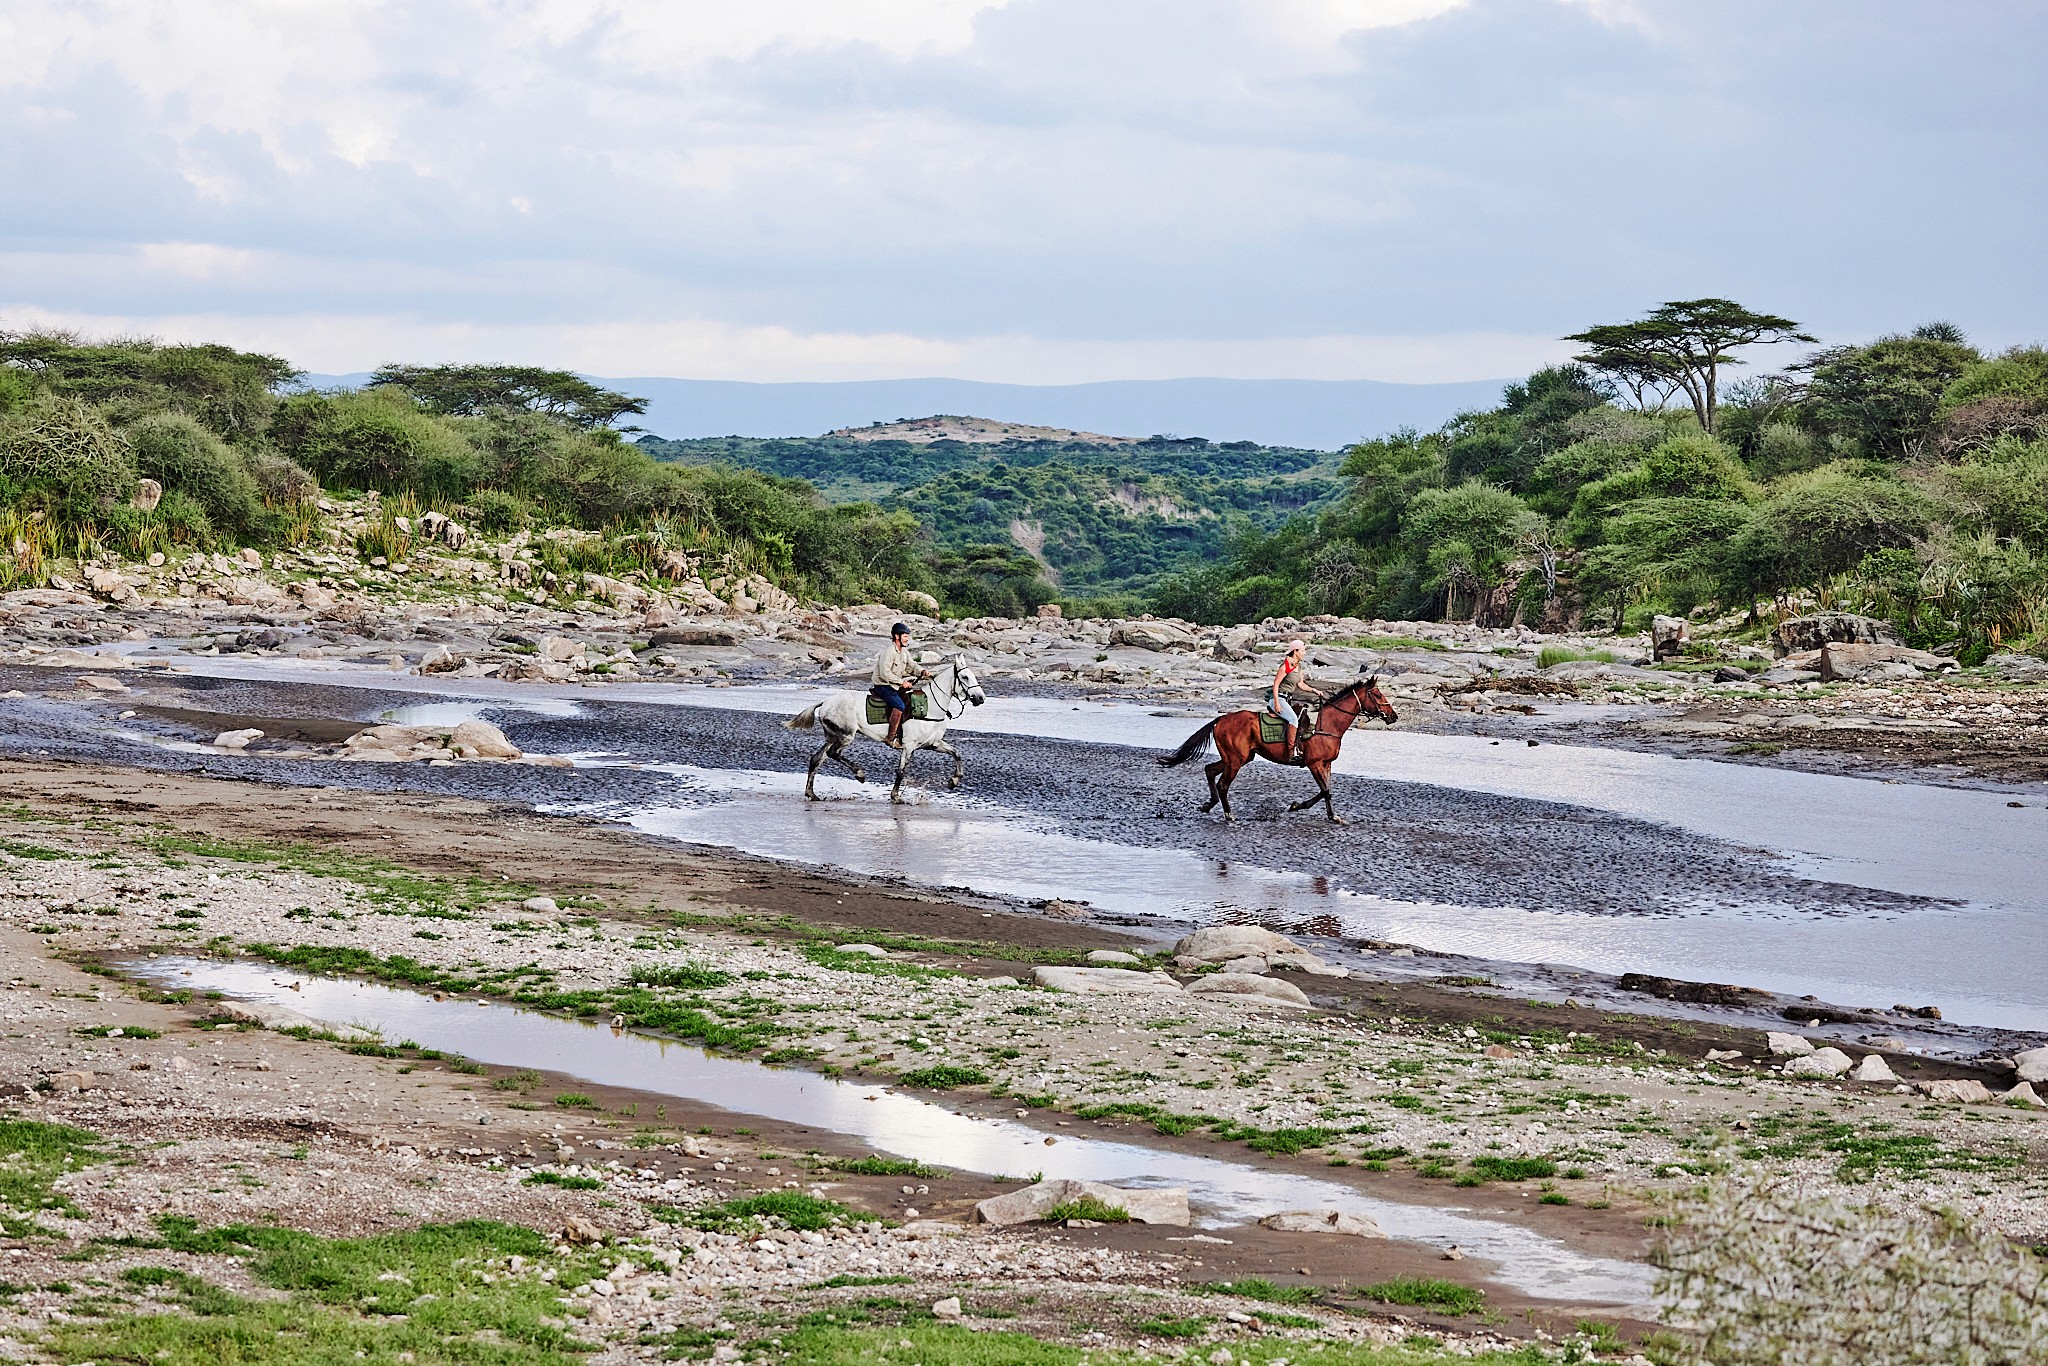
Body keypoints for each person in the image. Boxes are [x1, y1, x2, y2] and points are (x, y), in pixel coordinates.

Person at [871, 622, 928, 748]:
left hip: (894, 685)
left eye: (908, 636)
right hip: (883, 686)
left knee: (909, 701)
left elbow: (912, 666)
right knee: (900, 705)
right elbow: (884, 673)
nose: (908, 639)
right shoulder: (889, 652)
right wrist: (902, 682)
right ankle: (890, 737)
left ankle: (903, 734)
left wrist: (922, 671)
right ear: (897, 636)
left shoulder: (904, 652)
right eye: (905, 636)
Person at [1269, 639, 1323, 763]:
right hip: (1278, 698)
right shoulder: (1285, 666)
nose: (1304, 653)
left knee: (1301, 716)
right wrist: (1276, 702)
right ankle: (1291, 751)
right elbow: (1276, 684)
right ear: (1295, 651)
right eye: (1303, 651)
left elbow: (1301, 684)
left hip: (1287, 699)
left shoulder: (1298, 666)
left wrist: (1314, 690)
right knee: (1293, 719)